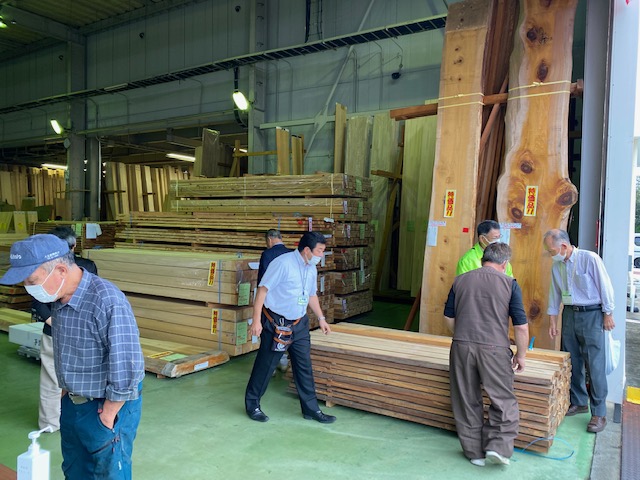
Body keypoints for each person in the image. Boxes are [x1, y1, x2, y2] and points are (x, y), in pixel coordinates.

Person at [0, 234, 145, 479]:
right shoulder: (59, 298)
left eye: (32, 280)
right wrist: (66, 393)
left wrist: (108, 415)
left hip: (106, 407)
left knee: (107, 472)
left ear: (60, 270)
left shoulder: (106, 300)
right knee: (74, 470)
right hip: (72, 403)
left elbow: (127, 366)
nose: (29, 288)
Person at [444, 242, 529, 467]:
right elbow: (521, 326)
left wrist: (464, 335)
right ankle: (497, 447)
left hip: (461, 346)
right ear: (505, 263)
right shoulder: (509, 283)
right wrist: (521, 355)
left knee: (466, 399)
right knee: (503, 399)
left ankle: (474, 453)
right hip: (495, 349)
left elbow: (449, 318)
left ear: (483, 260)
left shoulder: (460, 280)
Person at [245, 231, 335, 423]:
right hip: (277, 323)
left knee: (304, 366)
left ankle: (311, 409)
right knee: (266, 365)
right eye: (319, 251)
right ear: (307, 250)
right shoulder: (283, 263)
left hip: (299, 323)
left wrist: (321, 318)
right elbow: (262, 290)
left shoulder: (311, 268)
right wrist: (256, 320)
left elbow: (311, 295)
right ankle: (253, 405)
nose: (321, 255)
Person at [544, 229, 615, 433]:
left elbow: (605, 286)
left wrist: (608, 313)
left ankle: (599, 413)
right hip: (569, 314)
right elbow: (554, 294)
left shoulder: (589, 259)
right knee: (572, 360)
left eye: (552, 250)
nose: (551, 254)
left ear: (563, 246)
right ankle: (579, 401)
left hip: (592, 314)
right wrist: (553, 321)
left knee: (595, 364)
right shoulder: (557, 266)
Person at [32, 226, 98, 433]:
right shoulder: (86, 266)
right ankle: (83, 418)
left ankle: (50, 423)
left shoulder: (43, 269)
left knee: (51, 379)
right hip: (81, 332)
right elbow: (93, 298)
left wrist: (54, 321)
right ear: (74, 245)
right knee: (84, 375)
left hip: (56, 330)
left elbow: (37, 302)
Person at [257, 229, 292, 374]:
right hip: (287, 303)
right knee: (284, 331)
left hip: (271, 303)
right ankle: (283, 360)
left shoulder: (267, 254)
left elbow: (263, 282)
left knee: (268, 333)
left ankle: (269, 368)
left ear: (269, 240)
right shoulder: (291, 254)